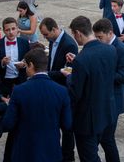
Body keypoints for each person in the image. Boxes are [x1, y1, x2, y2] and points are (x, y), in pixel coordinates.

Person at [63, 16, 118, 162]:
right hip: (107, 111)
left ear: (78, 33)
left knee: (89, 157)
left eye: (74, 35)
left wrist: (70, 76)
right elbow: (100, 74)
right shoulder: (110, 50)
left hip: (87, 119)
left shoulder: (82, 59)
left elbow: (75, 93)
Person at [2, 48, 72, 162]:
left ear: (31, 65)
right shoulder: (62, 91)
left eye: (25, 66)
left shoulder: (19, 91)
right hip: (51, 151)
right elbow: (67, 124)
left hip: (24, 151)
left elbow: (8, 124)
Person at [39, 17, 78, 161]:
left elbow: (68, 72)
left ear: (54, 29)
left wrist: (46, 74)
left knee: (67, 127)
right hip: (53, 88)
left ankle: (68, 156)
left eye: (46, 34)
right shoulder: (52, 40)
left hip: (63, 91)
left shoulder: (69, 44)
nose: (45, 37)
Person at [93, 18, 124, 126]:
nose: (98, 40)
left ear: (110, 33)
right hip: (102, 97)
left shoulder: (122, 50)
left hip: (115, 97)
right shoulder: (101, 45)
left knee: (108, 137)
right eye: (96, 37)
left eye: (100, 37)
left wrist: (102, 73)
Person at [0, 18, 30, 97]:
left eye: (13, 29)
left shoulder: (24, 43)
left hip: (20, 80)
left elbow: (29, 60)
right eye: (8, 30)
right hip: (3, 81)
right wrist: (2, 63)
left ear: (17, 29)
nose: (11, 32)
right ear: (4, 31)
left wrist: (24, 64)